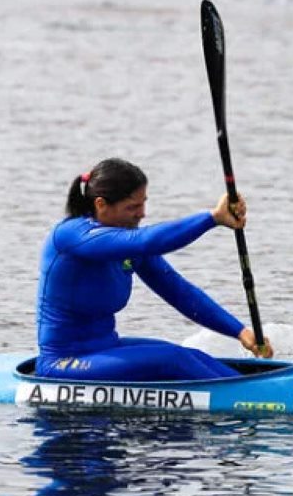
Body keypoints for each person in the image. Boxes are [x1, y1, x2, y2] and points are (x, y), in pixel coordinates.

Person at [35, 157, 270, 381]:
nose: (142, 213)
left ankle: (255, 390)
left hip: (106, 348)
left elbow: (180, 293)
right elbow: (148, 240)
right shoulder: (71, 235)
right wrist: (212, 218)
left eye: (144, 203)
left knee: (191, 355)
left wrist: (240, 332)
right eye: (132, 207)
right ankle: (254, 399)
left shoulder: (128, 244)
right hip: (63, 362)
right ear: (101, 205)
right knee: (173, 359)